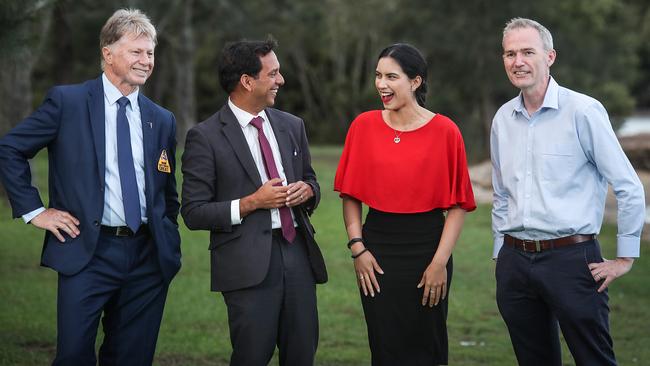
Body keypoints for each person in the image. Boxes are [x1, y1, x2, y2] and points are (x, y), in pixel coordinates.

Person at [0, 8, 180, 366]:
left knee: (131, 358)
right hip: (87, 253)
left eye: (150, 53)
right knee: (73, 357)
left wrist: (167, 235)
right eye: (136, 52)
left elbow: (166, 190)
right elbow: (10, 148)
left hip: (148, 257)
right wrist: (36, 211)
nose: (146, 61)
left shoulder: (160, 119)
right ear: (107, 52)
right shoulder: (67, 102)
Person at [491, 17, 646, 366]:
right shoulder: (502, 119)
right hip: (515, 264)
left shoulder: (584, 111)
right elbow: (502, 195)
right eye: (510, 53)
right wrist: (500, 254)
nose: (518, 61)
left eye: (527, 52)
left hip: (573, 262)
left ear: (550, 57)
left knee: (595, 360)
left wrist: (625, 257)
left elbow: (629, 187)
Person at [181, 39, 327, 366]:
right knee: (251, 357)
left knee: (303, 355)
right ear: (247, 81)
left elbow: (312, 179)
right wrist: (251, 202)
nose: (281, 80)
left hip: (298, 254)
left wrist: (308, 191)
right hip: (246, 265)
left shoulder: (292, 126)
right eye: (273, 73)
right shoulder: (205, 137)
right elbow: (193, 212)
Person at [334, 43, 476, 365]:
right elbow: (351, 195)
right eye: (378, 76)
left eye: (391, 76)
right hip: (376, 252)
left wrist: (440, 262)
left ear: (415, 82)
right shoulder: (363, 126)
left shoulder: (446, 131)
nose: (381, 84)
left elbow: (457, 205)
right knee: (384, 347)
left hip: (429, 250)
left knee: (428, 344)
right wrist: (358, 248)